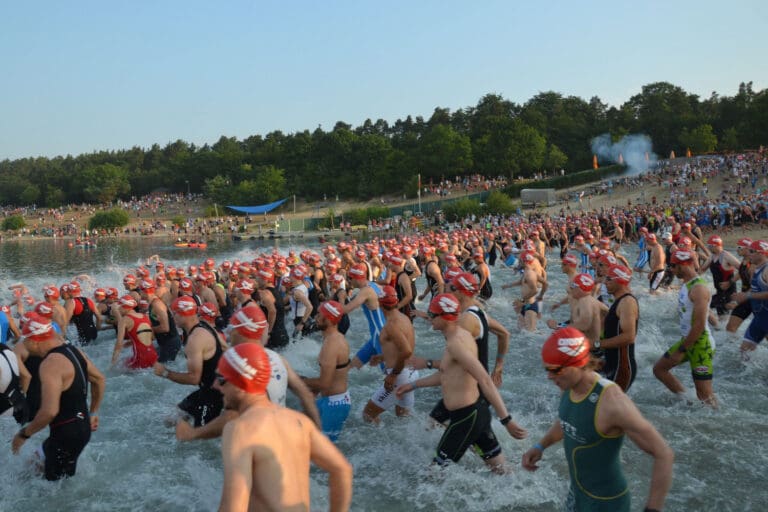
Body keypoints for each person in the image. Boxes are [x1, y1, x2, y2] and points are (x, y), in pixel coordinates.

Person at [522, 327, 674, 512]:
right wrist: (540, 446)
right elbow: (568, 419)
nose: (549, 376)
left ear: (577, 364)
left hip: (607, 504)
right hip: (577, 497)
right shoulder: (568, 386)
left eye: (555, 370)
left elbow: (664, 453)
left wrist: (652, 510)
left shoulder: (612, 403)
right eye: (547, 369)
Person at [215, 343, 353, 512]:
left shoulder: (240, 430)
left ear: (242, 383)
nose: (216, 385)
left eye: (222, 379)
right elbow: (342, 470)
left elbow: (233, 507)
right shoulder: (299, 421)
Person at [397, 294, 526, 473]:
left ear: (444, 317)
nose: (429, 318)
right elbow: (446, 374)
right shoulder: (460, 337)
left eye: (432, 314)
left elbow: (485, 380)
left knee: (433, 474)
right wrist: (412, 385)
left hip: (465, 418)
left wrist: (507, 420)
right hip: (474, 415)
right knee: (503, 473)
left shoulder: (456, 343)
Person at [174, 304, 320, 441]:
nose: (229, 332)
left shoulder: (241, 366)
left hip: (256, 440)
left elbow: (232, 415)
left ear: (240, 331)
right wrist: (316, 433)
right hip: (280, 435)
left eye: (232, 328)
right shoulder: (277, 358)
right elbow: (305, 394)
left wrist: (193, 434)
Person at [11, 313, 106, 481]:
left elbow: (49, 411)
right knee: (31, 468)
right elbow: (99, 379)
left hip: (66, 435)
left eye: (25, 342)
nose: (25, 346)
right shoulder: (73, 350)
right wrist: (93, 413)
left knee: (52, 490)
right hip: (80, 427)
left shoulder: (50, 364)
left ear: (34, 340)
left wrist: (24, 434)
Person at [653, 250, 717, 407]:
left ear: (683, 264)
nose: (672, 270)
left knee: (705, 396)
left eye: (673, 266)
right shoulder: (687, 284)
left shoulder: (699, 289)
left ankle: (715, 423)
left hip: (701, 344)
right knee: (659, 369)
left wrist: (681, 350)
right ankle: (687, 399)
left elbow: (700, 325)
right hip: (688, 340)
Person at [154, 296, 226, 426]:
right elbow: (226, 348)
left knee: (200, 437)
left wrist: (165, 372)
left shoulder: (195, 339)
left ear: (183, 314)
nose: (172, 317)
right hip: (212, 388)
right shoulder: (205, 326)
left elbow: (194, 379)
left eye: (174, 313)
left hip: (213, 396)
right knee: (172, 420)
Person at [362, 285, 417, 423]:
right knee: (403, 420)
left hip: (400, 376)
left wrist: (393, 375)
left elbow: (406, 350)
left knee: (368, 415)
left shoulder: (391, 325)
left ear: (379, 303)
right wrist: (382, 357)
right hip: (411, 372)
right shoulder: (404, 318)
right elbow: (403, 349)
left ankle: (377, 444)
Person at [301, 301, 351, 442]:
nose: (315, 317)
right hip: (329, 400)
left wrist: (298, 380)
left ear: (328, 319)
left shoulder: (332, 344)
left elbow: (324, 383)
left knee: (324, 454)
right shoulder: (334, 338)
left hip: (335, 405)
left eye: (319, 315)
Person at [594, 265, 639, 392]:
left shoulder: (627, 302)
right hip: (611, 363)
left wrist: (597, 344)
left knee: (609, 408)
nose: (605, 282)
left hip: (622, 367)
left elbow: (629, 337)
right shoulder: (618, 301)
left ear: (619, 281)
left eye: (609, 279)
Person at [730, 239, 768, 360]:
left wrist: (748, 296)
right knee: (744, 353)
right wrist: (740, 298)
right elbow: (754, 290)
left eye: (751, 251)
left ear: (761, 253)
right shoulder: (754, 269)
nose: (749, 253)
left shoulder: (767, 270)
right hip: (759, 320)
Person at [111, 295, 158, 369]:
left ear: (124, 307)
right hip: (154, 355)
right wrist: (131, 342)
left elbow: (119, 344)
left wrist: (112, 363)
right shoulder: (145, 316)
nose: (118, 310)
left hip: (140, 358)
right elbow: (152, 337)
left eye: (119, 307)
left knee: (121, 367)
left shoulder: (124, 320)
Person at [0, 343, 30, 424]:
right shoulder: (7, 349)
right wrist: (20, 396)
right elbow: (26, 377)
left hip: (4, 412)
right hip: (21, 407)